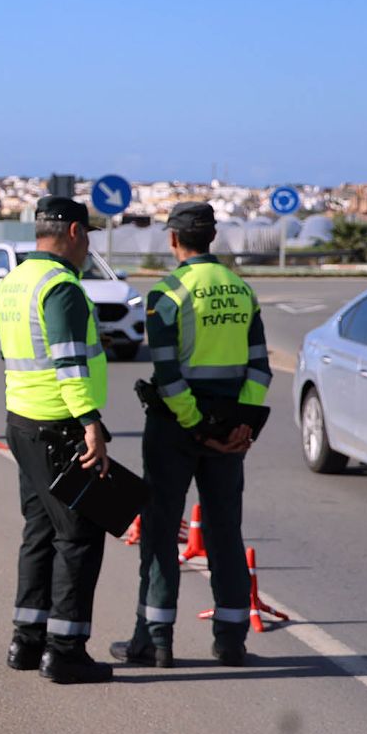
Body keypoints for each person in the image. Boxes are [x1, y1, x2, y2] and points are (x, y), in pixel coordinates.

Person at [112, 203, 269, 668]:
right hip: (230, 427)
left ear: (174, 240)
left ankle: (155, 640)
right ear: (212, 238)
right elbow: (259, 367)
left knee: (160, 531)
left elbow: (166, 372)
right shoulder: (242, 291)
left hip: (176, 428)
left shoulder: (167, 293)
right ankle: (232, 639)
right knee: (225, 530)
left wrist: (196, 426)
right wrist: (240, 424)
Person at [0, 196, 114, 684]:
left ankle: (27, 641)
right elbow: (69, 364)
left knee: (40, 530)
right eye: (87, 235)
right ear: (73, 232)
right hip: (59, 427)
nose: (88, 246)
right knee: (80, 536)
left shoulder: (15, 280)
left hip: (22, 420)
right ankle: (65, 650)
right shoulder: (62, 287)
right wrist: (90, 422)